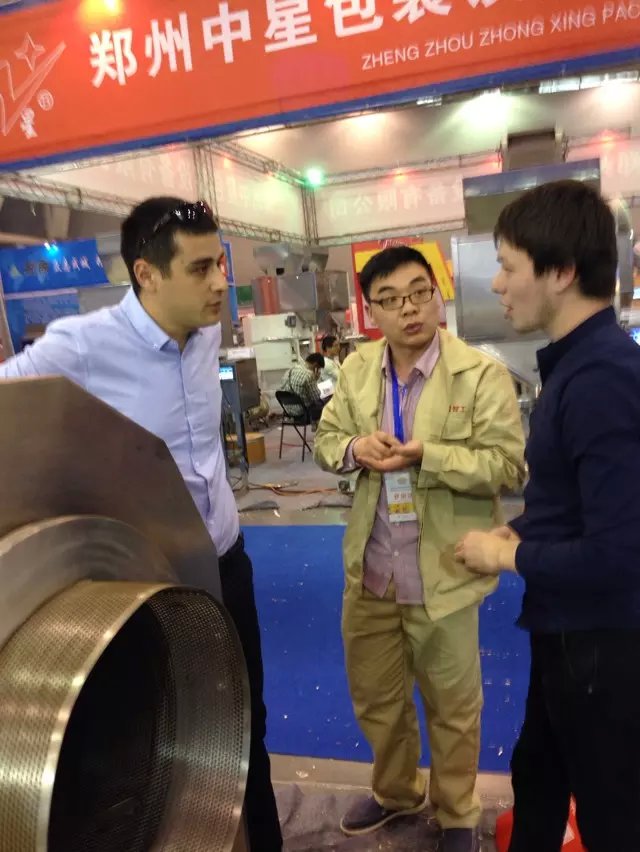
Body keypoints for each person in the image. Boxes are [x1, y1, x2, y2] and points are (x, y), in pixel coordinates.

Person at [0, 197, 283, 852]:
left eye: (220, 265)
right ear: (146, 274)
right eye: (201, 269)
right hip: (145, 586)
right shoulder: (82, 345)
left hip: (225, 563)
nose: (220, 283)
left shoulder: (204, 334)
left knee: (247, 722)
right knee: (159, 737)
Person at [314, 246, 525, 852]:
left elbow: (508, 467)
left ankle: (457, 812)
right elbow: (327, 440)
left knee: (454, 706)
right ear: (371, 311)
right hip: (372, 570)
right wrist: (354, 449)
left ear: (437, 294)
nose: (408, 309)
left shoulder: (480, 375)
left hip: (443, 571)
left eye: (418, 293)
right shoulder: (357, 371)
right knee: (377, 699)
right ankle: (396, 793)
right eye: (390, 300)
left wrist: (429, 455)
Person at [455, 180, 640, 852]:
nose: (497, 284)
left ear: (560, 272)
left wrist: (505, 554)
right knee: (538, 777)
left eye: (508, 266)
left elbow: (619, 552)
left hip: (600, 645)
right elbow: (581, 503)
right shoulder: (575, 367)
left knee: (613, 814)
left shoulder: (600, 380)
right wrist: (525, 529)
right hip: (566, 632)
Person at [279, 352, 326, 421]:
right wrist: (315, 380)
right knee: (327, 402)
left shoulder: (290, 370)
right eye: (318, 368)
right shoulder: (309, 375)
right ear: (315, 365)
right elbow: (316, 397)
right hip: (303, 413)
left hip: (287, 411)